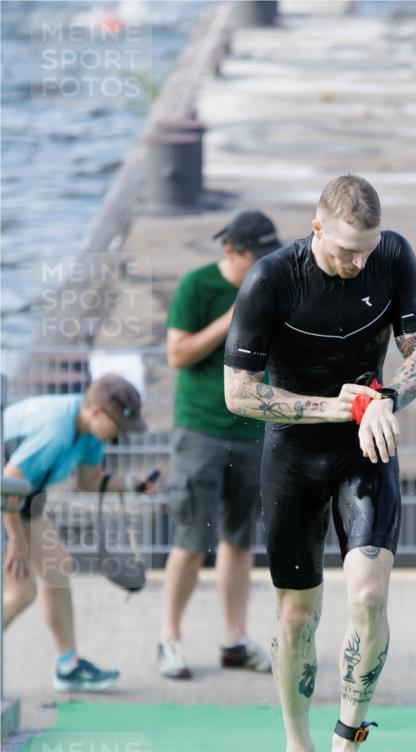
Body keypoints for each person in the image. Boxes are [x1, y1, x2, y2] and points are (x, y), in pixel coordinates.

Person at [224, 175, 416, 752]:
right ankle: (299, 751)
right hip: (294, 453)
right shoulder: (272, 278)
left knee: (369, 594)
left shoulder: (391, 255)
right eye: (347, 250)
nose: (358, 263)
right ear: (317, 229)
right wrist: (334, 407)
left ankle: (350, 735)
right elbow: (238, 393)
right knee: (297, 615)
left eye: (366, 250)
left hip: (367, 443)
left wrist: (386, 399)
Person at [158, 211, 282, 680]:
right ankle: (169, 637)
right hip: (201, 430)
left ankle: (235, 640)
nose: (262, 262)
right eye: (255, 255)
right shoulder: (197, 286)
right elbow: (176, 354)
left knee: (239, 539)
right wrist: (231, 319)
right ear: (230, 249)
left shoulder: (271, 284)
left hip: (252, 430)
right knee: (192, 541)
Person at [2, 374, 155, 692]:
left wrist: (133, 484)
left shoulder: (89, 434)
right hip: (7, 493)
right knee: (21, 592)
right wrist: (16, 542)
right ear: (97, 412)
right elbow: (9, 480)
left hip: (22, 495)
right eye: (119, 427)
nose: (121, 435)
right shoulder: (55, 432)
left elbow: (89, 482)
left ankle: (68, 666)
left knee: (57, 567)